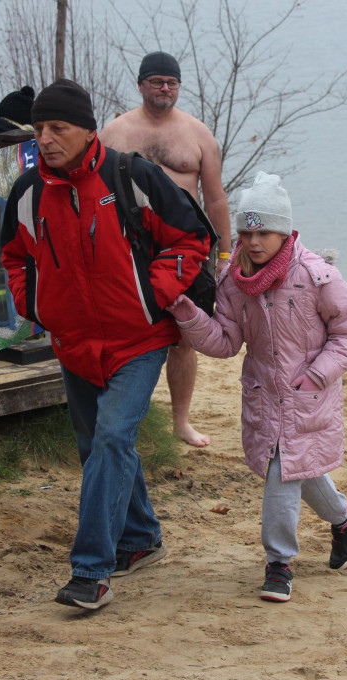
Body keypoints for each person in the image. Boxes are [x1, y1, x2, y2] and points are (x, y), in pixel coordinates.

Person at [0, 79, 212, 611]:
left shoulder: (131, 175)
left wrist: (154, 294)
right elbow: (14, 257)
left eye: (57, 128)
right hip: (72, 344)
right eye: (40, 128)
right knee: (99, 448)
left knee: (112, 440)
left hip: (138, 340)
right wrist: (37, 306)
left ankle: (90, 572)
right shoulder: (27, 193)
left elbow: (192, 237)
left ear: (87, 129)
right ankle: (140, 539)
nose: (45, 138)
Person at [165, 172, 347, 602]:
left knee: (282, 473)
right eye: (246, 232)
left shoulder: (316, 276)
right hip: (263, 394)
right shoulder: (233, 282)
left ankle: (279, 564)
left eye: (265, 232)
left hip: (309, 393)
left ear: (285, 232)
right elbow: (225, 343)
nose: (254, 242)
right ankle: (345, 519)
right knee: (298, 469)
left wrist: (317, 374)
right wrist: (187, 313)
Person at [101, 51, 231, 448]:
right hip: (130, 245)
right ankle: (121, 416)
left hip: (186, 247)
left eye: (171, 82)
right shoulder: (114, 133)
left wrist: (224, 255)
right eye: (156, 81)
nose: (164, 88)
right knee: (125, 330)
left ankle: (180, 421)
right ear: (141, 85)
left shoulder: (197, 134)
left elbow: (216, 200)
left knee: (184, 336)